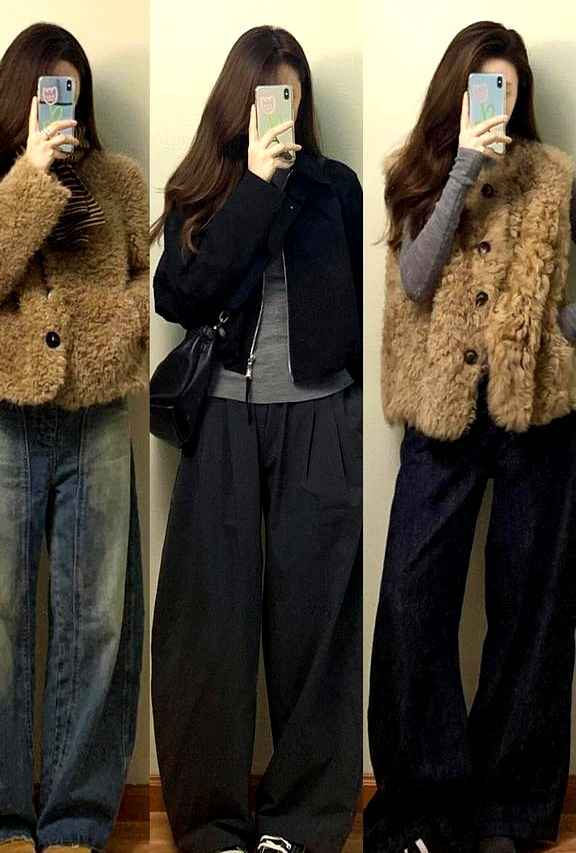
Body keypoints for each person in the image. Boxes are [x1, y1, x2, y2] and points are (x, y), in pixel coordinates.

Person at [0, 22, 148, 853]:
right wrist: (29, 173)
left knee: (98, 623)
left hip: (96, 418)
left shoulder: (118, 181)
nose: (62, 105)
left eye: (70, 91)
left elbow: (144, 283)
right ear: (16, 98)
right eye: (46, 91)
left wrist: (119, 328)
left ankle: (75, 823)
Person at [150, 24, 363, 853]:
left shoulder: (335, 188)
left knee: (316, 623)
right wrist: (254, 188)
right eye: (266, 94)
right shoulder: (201, 189)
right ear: (238, 102)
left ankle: (300, 825)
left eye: (291, 94)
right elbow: (181, 296)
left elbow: (355, 306)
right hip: (224, 420)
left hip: (319, 418)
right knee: (208, 623)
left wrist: (350, 411)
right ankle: (212, 826)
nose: (281, 108)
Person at [365, 21, 576, 853]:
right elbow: (415, 281)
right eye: (486, 87)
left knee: (531, 612)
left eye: (510, 91)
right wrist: (461, 166)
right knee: (413, 603)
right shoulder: (416, 170)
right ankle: (424, 810)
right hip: (442, 412)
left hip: (537, 413)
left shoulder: (554, 175)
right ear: (458, 89)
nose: (500, 103)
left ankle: (509, 813)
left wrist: (561, 335)